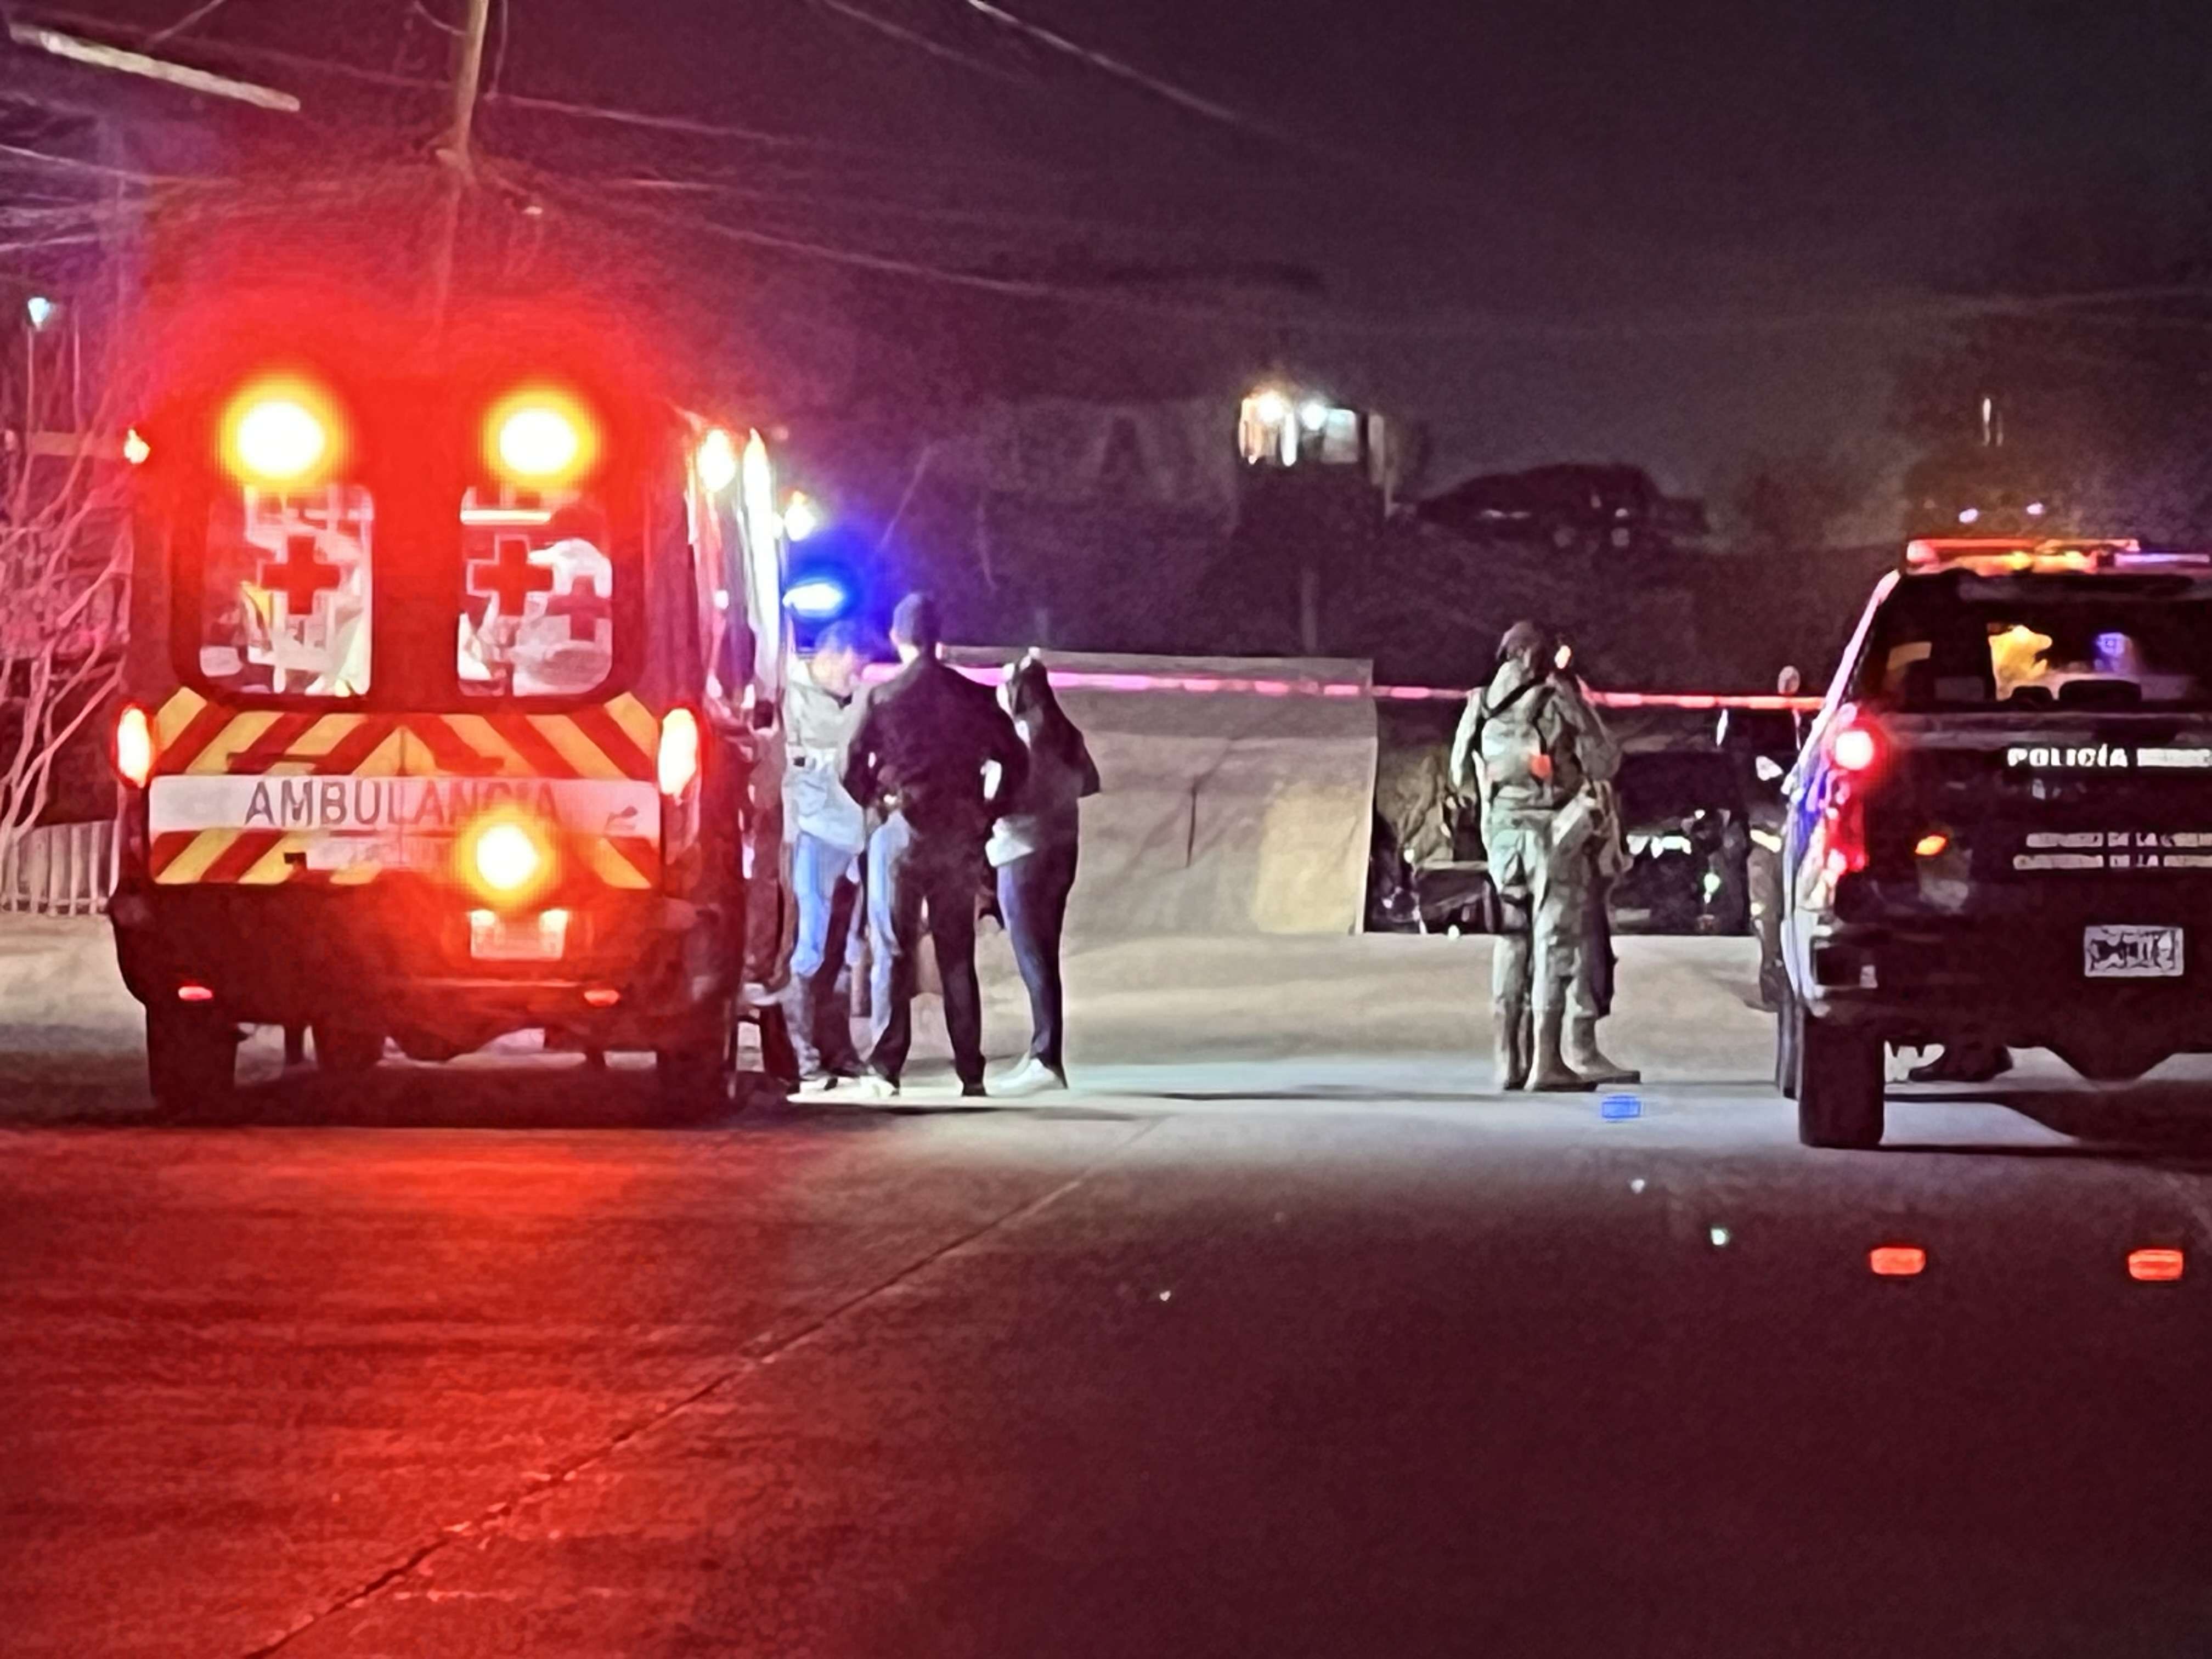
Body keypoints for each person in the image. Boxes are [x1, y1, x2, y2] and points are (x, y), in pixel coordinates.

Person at [844, 594, 1028, 1099]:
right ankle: (970, 1070)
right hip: (959, 833)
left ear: (897, 638)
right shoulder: (974, 696)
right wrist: (989, 812)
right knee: (956, 954)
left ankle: (886, 1067)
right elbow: (1016, 760)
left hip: (901, 830)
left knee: (893, 950)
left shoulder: (882, 698)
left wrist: (875, 801)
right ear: (939, 639)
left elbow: (848, 764)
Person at [1450, 620, 1621, 1092]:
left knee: (1511, 939)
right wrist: (1577, 705)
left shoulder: (1479, 703)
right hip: (1553, 834)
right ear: (1534, 655)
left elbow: (1460, 775)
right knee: (1554, 942)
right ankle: (1546, 1062)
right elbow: (1605, 760)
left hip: (1502, 837)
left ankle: (1507, 1060)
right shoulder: (1555, 698)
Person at [988, 651, 1101, 1095]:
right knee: (1045, 954)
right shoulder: (1064, 731)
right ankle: (1043, 1051)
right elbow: (1087, 783)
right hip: (1062, 851)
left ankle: (1045, 1057)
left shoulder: (1021, 736)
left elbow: (1003, 797)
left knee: (1033, 958)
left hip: (1022, 853)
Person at [780, 619, 872, 1092]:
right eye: (852, 669)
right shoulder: (790, 697)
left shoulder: (854, 703)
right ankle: (801, 1054)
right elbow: (789, 767)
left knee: (842, 949)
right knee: (808, 947)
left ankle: (837, 1049)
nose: (856, 680)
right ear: (831, 655)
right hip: (810, 838)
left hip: (850, 842)